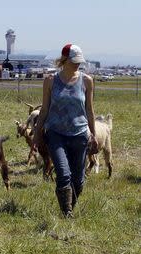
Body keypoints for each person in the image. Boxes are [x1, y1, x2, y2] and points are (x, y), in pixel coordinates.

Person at [33, 44, 97, 218]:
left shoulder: (86, 81)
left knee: (78, 179)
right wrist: (37, 135)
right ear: (64, 60)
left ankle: (70, 206)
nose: (77, 65)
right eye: (74, 61)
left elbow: (89, 110)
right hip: (56, 134)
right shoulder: (51, 81)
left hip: (80, 135)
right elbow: (44, 110)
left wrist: (94, 134)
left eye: (79, 62)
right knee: (63, 173)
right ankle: (66, 212)